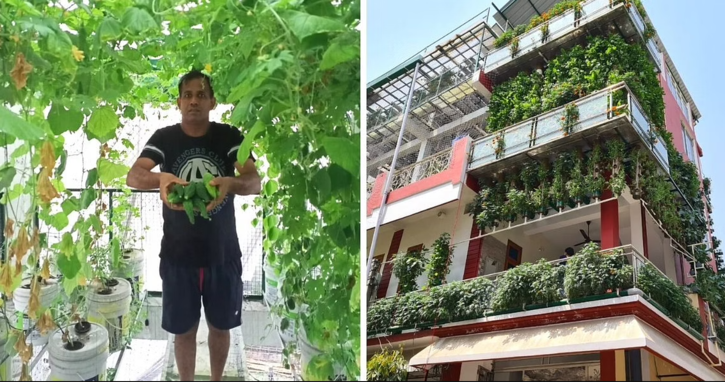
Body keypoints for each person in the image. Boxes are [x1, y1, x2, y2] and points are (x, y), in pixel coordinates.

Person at [125, 69, 261, 381]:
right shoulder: (165, 138)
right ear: (179, 102)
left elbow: (254, 182)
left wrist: (228, 182)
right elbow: (134, 176)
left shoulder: (229, 137)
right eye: (188, 95)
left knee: (221, 328)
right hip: (177, 256)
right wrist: (161, 179)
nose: (194, 101)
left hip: (223, 255)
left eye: (201, 95)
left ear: (213, 102)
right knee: (183, 332)